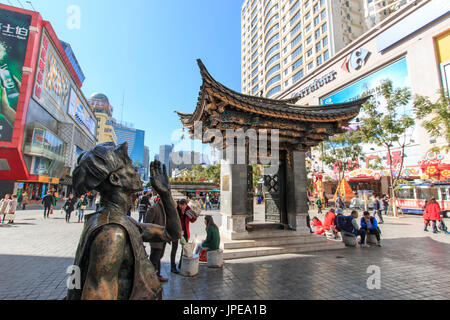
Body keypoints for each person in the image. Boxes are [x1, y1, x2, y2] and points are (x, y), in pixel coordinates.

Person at [66, 143, 182, 300]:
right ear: (115, 179)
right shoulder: (113, 233)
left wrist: (166, 194)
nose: (136, 171)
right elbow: (97, 291)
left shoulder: (121, 221)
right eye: (130, 167)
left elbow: (172, 233)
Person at [145, 197, 169, 282]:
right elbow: (147, 223)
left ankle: (157, 275)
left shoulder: (164, 208)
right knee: (155, 257)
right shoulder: (154, 208)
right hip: (156, 238)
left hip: (162, 238)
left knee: (158, 257)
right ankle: (152, 277)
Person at [170, 198, 197, 274]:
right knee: (174, 249)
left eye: (184, 205)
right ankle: (172, 266)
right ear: (179, 205)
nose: (182, 207)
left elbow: (192, 220)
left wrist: (195, 216)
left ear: (186, 205)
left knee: (184, 248)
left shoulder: (188, 210)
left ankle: (181, 264)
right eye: (181, 205)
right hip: (176, 231)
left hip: (185, 232)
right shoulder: (175, 210)